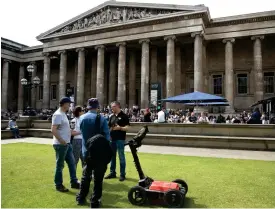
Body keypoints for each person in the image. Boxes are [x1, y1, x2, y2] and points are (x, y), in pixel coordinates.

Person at [76, 98, 111, 208]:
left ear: (88, 106)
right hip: (99, 153)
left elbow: (81, 132)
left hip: (86, 151)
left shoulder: (82, 118)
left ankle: (81, 198)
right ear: (97, 106)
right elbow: (107, 137)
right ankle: (95, 201)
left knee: (86, 176)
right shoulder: (102, 119)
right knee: (98, 178)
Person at [51, 97, 80, 192]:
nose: (70, 105)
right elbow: (53, 129)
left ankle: (74, 182)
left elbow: (64, 129)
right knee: (60, 165)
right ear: (64, 104)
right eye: (68, 103)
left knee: (72, 163)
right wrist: (61, 140)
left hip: (67, 144)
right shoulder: (58, 114)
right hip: (61, 144)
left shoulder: (63, 114)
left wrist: (76, 132)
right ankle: (58, 185)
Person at [105, 101, 130, 181]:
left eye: (113, 106)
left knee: (121, 156)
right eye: (111, 107)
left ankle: (122, 174)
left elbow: (128, 127)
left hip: (120, 139)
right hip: (112, 139)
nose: (112, 108)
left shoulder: (124, 116)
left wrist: (120, 128)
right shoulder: (111, 116)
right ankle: (112, 173)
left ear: (118, 106)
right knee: (112, 157)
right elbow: (109, 127)